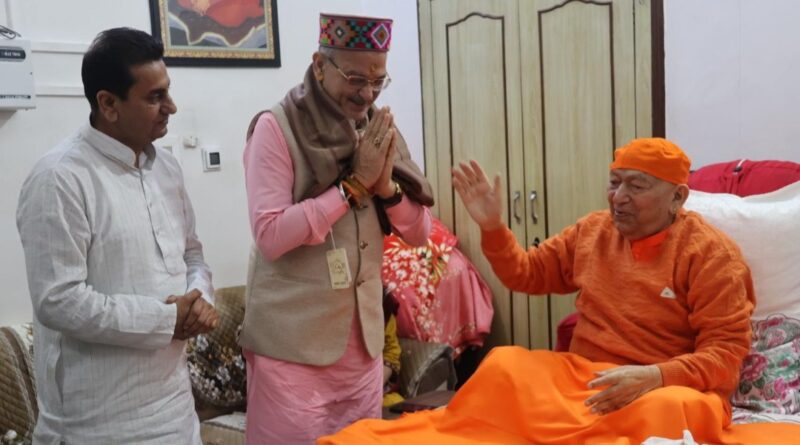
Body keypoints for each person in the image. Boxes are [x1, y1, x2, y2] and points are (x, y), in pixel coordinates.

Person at [318, 138, 770, 444]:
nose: (618, 197)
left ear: (679, 198)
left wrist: (654, 376)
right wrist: (494, 227)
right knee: (505, 366)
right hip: (584, 377)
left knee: (670, 414)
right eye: (615, 183)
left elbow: (726, 353)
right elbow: (527, 274)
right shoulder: (593, 232)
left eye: (637, 186)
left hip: (657, 385)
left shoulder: (711, 256)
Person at [238, 12, 433, 444]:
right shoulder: (276, 127)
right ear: (320, 65)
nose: (366, 94)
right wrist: (351, 187)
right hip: (293, 352)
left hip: (360, 351)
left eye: (377, 80)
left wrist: (386, 190)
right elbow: (270, 236)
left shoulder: (377, 128)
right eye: (354, 78)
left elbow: (420, 233)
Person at [16, 28, 217, 444]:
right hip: (99, 426)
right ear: (108, 103)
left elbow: (192, 255)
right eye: (155, 97)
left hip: (177, 415)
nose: (171, 107)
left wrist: (201, 299)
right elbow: (58, 300)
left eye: (168, 92)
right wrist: (166, 320)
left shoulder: (167, 169)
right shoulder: (60, 178)